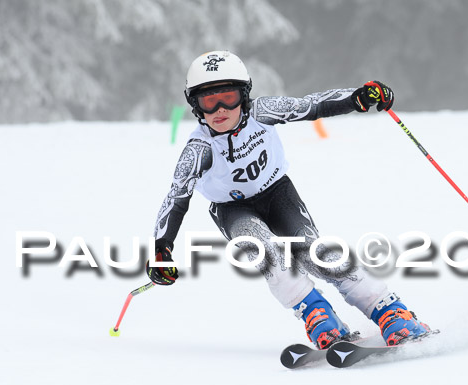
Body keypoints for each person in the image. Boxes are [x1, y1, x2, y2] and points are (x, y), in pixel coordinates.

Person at [146, 50, 430, 349]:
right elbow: (176, 198)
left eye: (228, 97)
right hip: (233, 209)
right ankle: (318, 316)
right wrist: (161, 249)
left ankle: (389, 311)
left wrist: (357, 97)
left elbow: (312, 105)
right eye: (208, 101)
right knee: (269, 257)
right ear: (195, 105)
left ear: (243, 95)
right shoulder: (198, 149)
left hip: (278, 194)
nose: (219, 109)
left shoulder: (263, 111)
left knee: (316, 255)